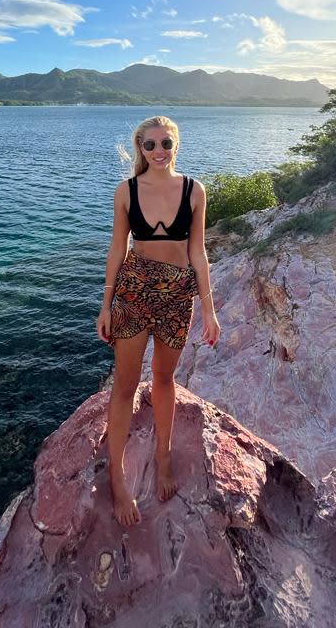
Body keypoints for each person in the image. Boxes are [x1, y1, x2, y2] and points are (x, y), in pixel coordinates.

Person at [96, 116, 220, 527]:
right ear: (140, 148)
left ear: (177, 145)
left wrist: (209, 307)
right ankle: (117, 477)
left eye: (166, 142)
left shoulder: (194, 190)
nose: (159, 151)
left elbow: (198, 252)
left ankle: (162, 456)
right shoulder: (127, 192)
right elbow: (117, 248)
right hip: (133, 293)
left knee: (165, 381)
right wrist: (106, 304)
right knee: (124, 388)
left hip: (177, 295)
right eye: (150, 145)